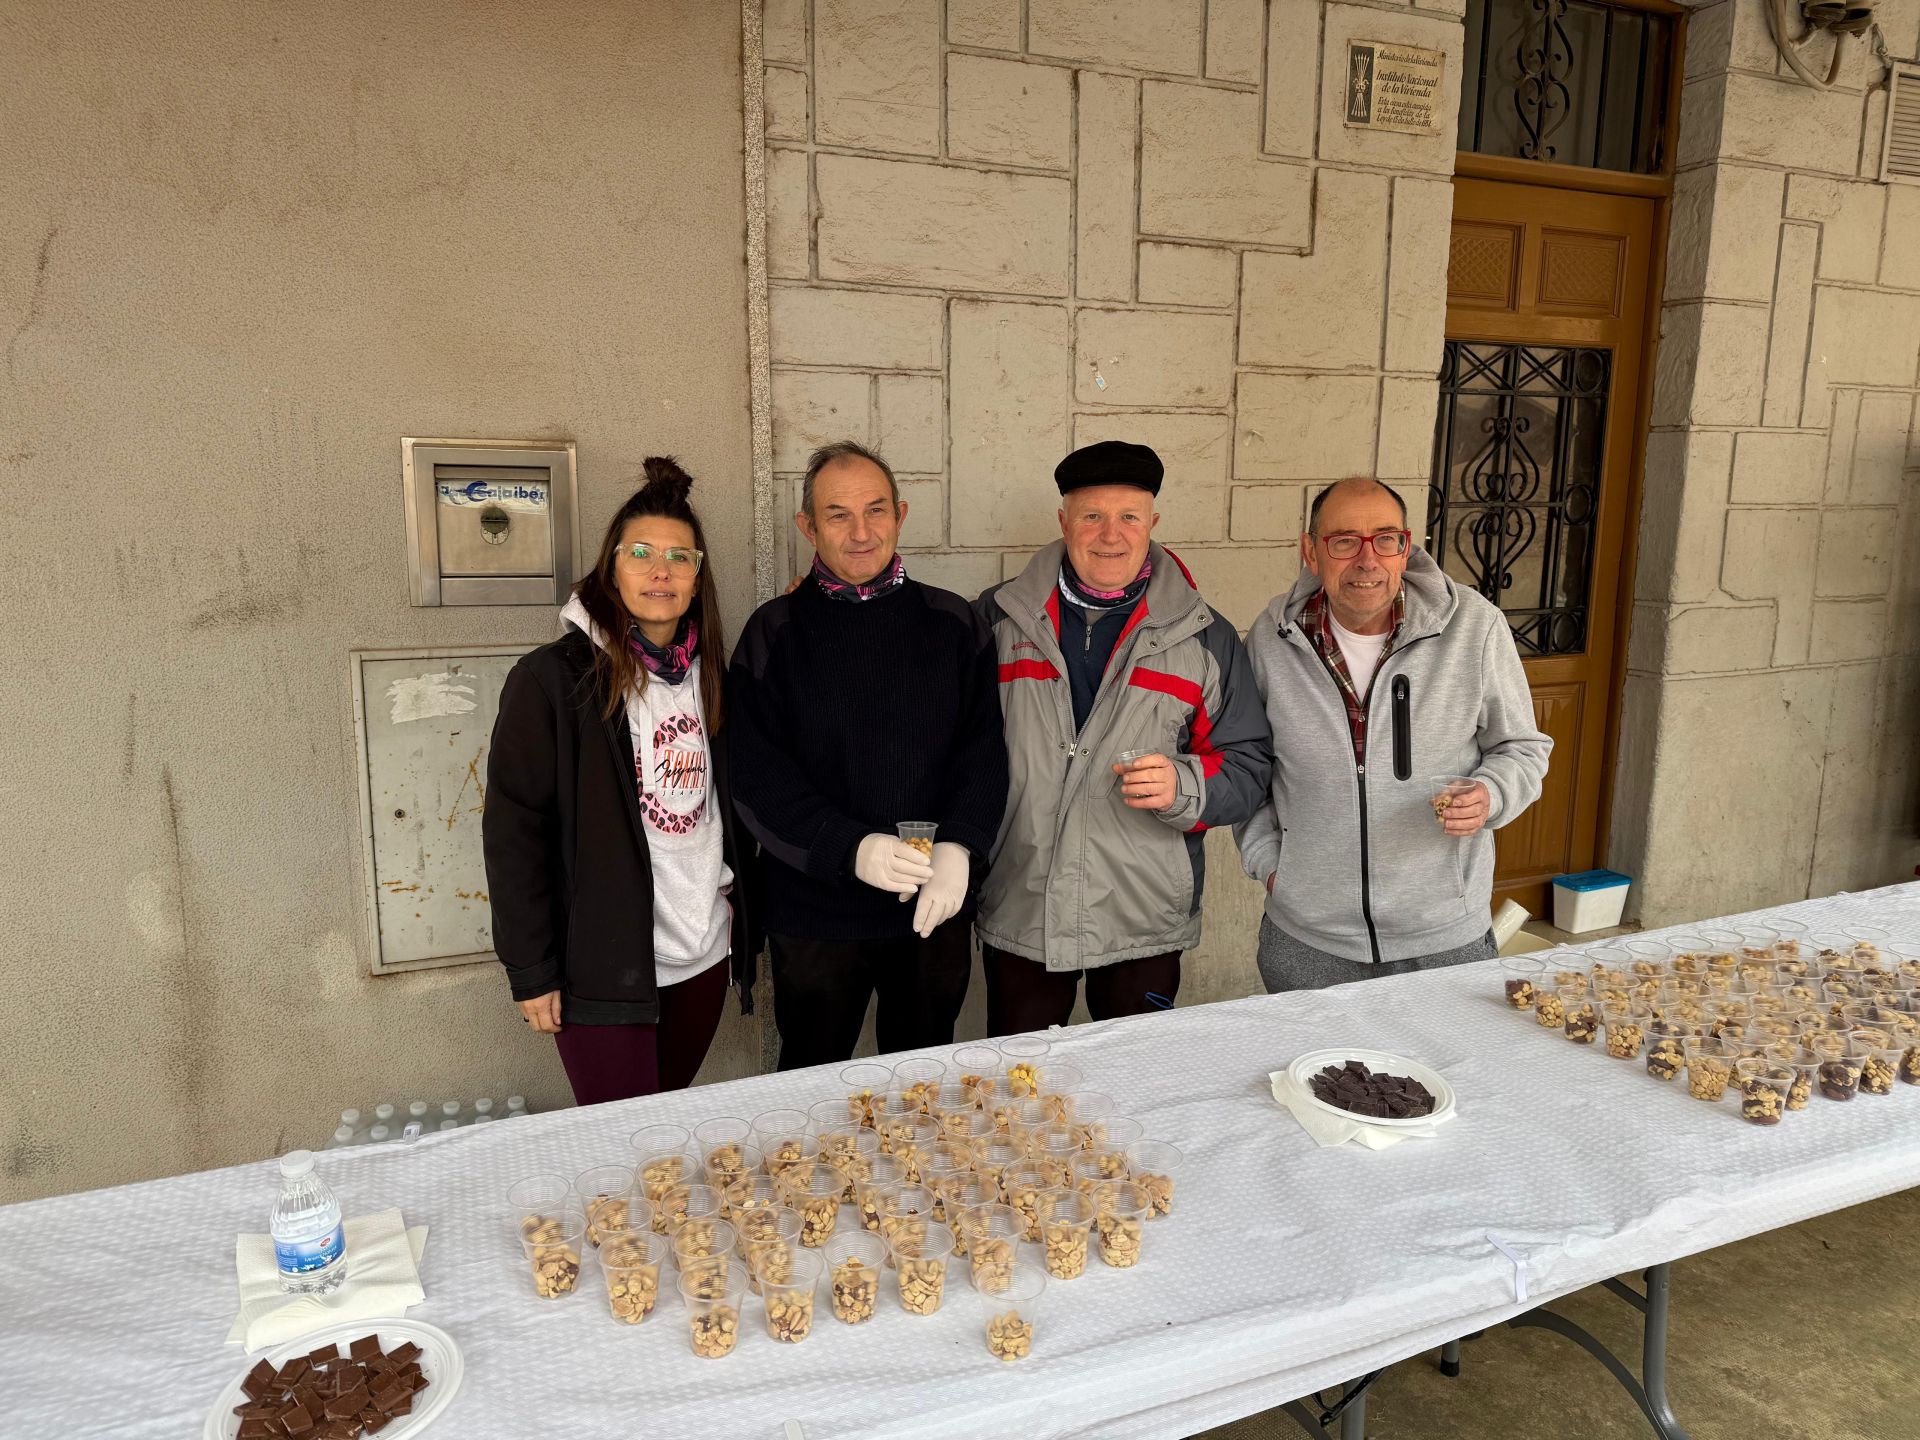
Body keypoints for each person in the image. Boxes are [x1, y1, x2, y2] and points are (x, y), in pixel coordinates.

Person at [482, 458, 756, 1105]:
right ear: (611, 567)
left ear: (697, 576)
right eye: (641, 553)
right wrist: (531, 969)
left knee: (660, 1127)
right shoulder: (553, 681)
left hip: (702, 953)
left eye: (679, 557)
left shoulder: (715, 677)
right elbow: (515, 829)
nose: (660, 571)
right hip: (601, 968)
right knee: (620, 1150)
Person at [727, 440, 1008, 1069]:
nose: (861, 532)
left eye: (876, 511)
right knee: (812, 1077)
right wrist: (849, 847)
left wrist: (961, 845)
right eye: (838, 515)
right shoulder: (774, 633)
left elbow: (984, 751)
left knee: (923, 1081)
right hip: (815, 913)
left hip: (931, 908)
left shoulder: (954, 624)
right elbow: (755, 777)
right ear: (807, 526)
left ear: (901, 514)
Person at [975, 440, 1272, 1032]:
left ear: (1152, 523)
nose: (1110, 534)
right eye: (1092, 516)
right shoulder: (998, 620)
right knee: (1020, 1084)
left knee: (1139, 1084)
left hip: (1143, 917)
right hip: (1022, 902)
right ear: (1064, 523)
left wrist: (1183, 784)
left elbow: (1248, 765)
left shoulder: (1203, 637)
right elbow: (954, 747)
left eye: (1128, 516)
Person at [1235, 476, 1552, 989]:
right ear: (1311, 552)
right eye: (1344, 541)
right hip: (1306, 942)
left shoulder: (1474, 626)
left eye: (1386, 539)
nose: (1367, 560)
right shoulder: (1272, 642)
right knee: (1309, 1070)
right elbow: (1248, 766)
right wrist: (1273, 866)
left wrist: (1490, 793)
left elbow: (1521, 747)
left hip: (1444, 939)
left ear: (1406, 548)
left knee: (1448, 1069)